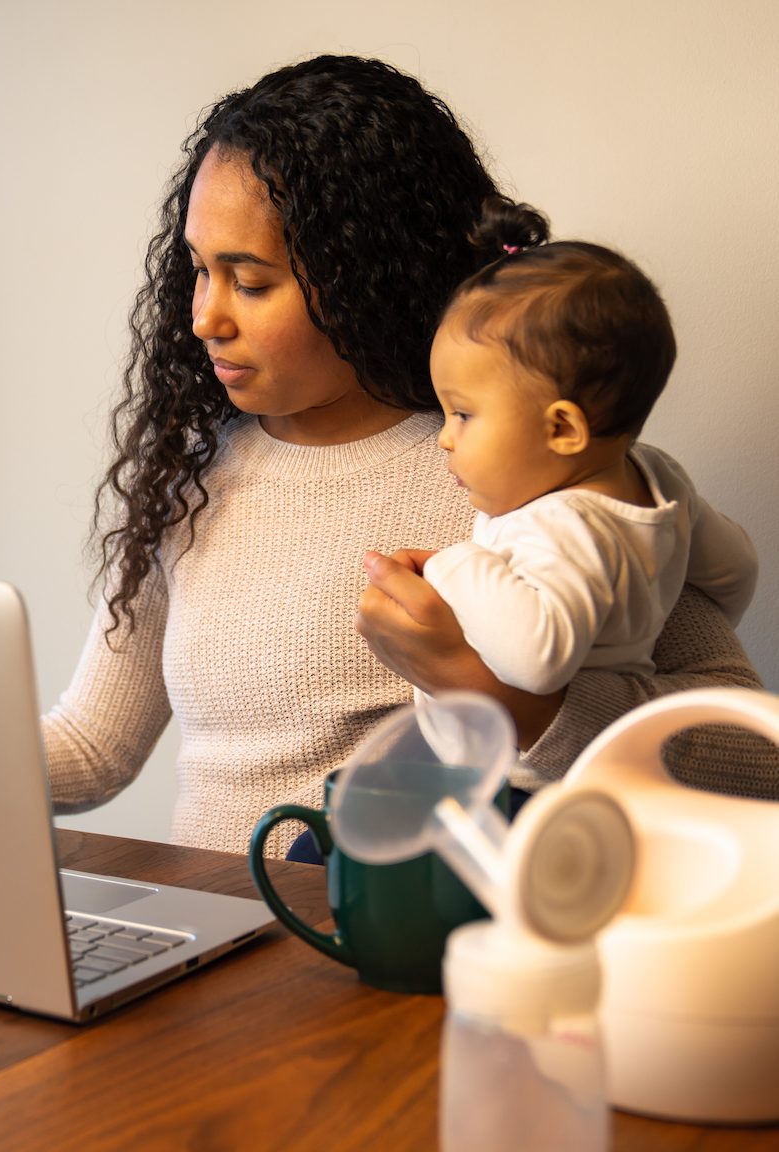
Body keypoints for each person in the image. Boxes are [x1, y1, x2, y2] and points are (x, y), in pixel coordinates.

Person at [40, 54, 768, 858]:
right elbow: (93, 747)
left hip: (399, 962)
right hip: (218, 957)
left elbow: (752, 756)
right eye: (198, 272)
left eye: (249, 283)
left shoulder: (524, 473)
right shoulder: (191, 482)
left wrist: (510, 702)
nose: (204, 317)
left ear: (361, 278)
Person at [419, 199, 757, 697]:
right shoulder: (659, 475)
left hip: (521, 766)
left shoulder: (559, 527)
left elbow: (536, 663)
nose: (445, 437)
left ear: (563, 430)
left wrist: (451, 565)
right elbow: (736, 571)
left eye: (463, 414)